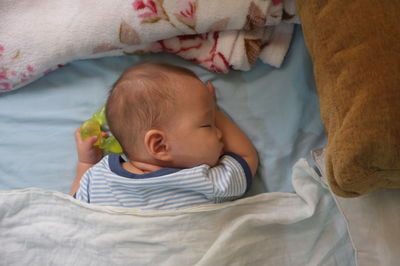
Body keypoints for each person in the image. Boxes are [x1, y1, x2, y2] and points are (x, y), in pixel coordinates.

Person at [70, 62, 258, 210]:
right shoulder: (203, 181)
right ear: (159, 145)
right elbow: (245, 157)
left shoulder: (98, 178)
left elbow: (75, 206)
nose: (219, 133)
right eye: (208, 124)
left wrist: (86, 164)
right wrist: (214, 110)